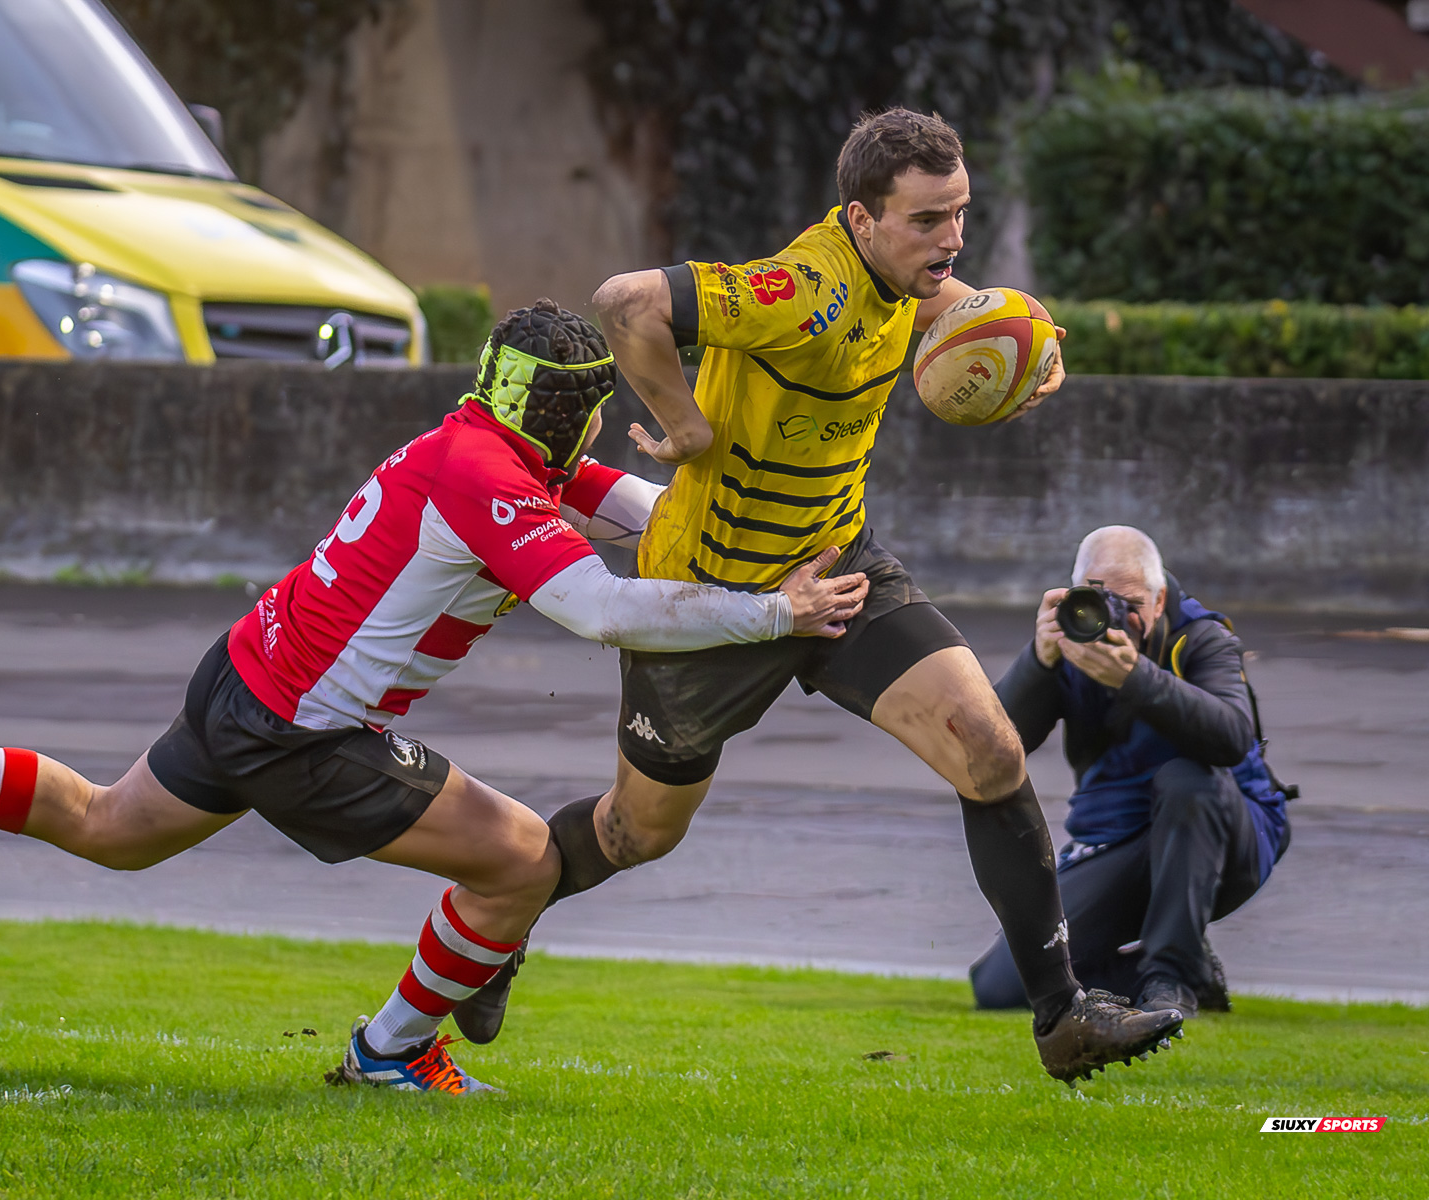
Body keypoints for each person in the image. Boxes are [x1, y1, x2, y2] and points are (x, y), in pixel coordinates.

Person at [0, 300, 867, 1097]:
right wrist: (784, 614)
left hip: (247, 673)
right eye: (599, 404)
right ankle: (390, 1053)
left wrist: (758, 539)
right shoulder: (488, 480)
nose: (607, 422)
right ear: (564, 407)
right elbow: (608, 609)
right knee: (519, 859)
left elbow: (639, 515)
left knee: (108, 827)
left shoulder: (485, 443)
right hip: (306, 730)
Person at [451, 109, 1184, 1085]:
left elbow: (981, 307)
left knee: (990, 747)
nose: (951, 240)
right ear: (862, 219)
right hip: (710, 599)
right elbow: (625, 302)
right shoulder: (799, 291)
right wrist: (687, 423)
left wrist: (1033, 348)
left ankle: (1061, 1018)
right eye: (927, 221)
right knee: (639, 833)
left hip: (840, 570)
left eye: (960, 214)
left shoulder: (905, 272)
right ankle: (501, 923)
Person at [968, 526, 1291, 1018]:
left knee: (1188, 779)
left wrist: (1134, 678)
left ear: (1160, 602)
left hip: (1225, 837)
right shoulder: (1072, 639)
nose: (1116, 613)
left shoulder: (1201, 639)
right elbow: (992, 747)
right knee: (1001, 987)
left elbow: (1232, 737)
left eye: (1131, 601)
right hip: (1123, 842)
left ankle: (1172, 978)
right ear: (1076, 592)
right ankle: (1177, 965)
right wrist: (1038, 660)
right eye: (1100, 596)